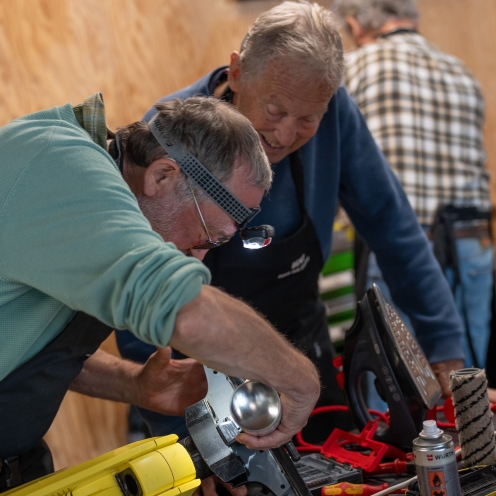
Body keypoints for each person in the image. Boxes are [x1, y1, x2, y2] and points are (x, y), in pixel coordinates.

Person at [117, 0, 466, 444]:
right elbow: (139, 291)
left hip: (303, 344)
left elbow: (392, 225)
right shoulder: (169, 135)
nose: (284, 136)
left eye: (307, 119)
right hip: (201, 369)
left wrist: (444, 344)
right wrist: (183, 435)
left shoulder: (336, 111)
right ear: (238, 72)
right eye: (275, 110)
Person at [0, 93, 321, 491]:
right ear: (161, 176)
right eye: (207, 236)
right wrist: (301, 381)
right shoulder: (58, 165)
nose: (200, 259)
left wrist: (133, 385)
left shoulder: (85, 197)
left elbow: (23, 342)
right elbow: (186, 311)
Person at [337, 0, 493, 371]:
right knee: (464, 386)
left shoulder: (356, 65)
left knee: (390, 387)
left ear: (356, 24)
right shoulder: (461, 70)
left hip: (401, 247)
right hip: (471, 243)